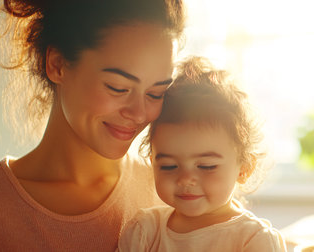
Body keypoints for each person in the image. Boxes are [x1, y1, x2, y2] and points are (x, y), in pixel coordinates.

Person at [0, 0, 185, 251]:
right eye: (118, 88)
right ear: (57, 65)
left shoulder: (176, 194)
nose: (139, 114)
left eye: (156, 93)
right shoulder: (0, 208)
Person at [117, 57, 287, 252]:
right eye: (169, 166)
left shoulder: (253, 239)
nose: (185, 179)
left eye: (206, 166)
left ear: (245, 168)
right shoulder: (145, 230)